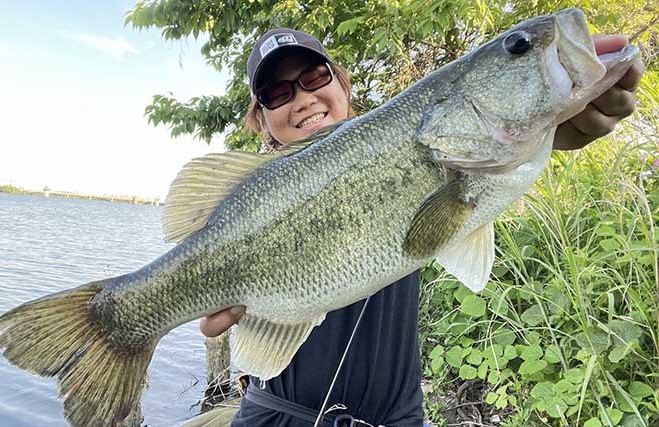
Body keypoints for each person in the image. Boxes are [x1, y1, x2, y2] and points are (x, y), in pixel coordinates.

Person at [198, 28, 645, 427]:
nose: (302, 98)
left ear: (342, 83)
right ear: (262, 121)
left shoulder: (419, 141)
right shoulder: (248, 201)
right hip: (275, 417)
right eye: (277, 93)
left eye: (314, 77)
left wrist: (551, 118)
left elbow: (476, 160)